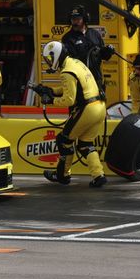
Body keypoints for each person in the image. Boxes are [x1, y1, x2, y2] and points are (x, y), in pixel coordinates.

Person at [36, 41, 107, 188]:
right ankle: (98, 175)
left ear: (56, 56)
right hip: (99, 106)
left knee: (63, 140)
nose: (49, 62)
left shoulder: (66, 72)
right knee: (85, 144)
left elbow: (69, 99)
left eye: (50, 58)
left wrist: (51, 100)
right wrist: (51, 90)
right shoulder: (75, 63)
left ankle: (62, 175)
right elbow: (72, 87)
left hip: (87, 109)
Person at [61, 5, 114, 94]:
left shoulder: (95, 34)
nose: (75, 22)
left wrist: (108, 51)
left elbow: (104, 56)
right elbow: (68, 62)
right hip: (79, 83)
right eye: (73, 19)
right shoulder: (67, 38)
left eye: (78, 19)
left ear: (85, 19)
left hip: (97, 80)